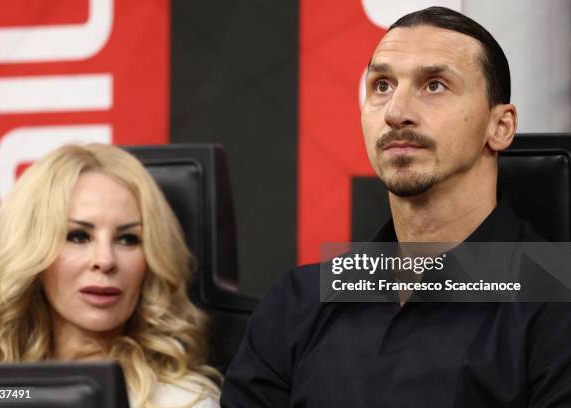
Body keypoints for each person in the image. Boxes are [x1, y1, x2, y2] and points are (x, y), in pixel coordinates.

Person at [221, 6, 571, 407]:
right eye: (382, 85)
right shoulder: (297, 301)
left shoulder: (557, 300)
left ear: (500, 126)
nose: (396, 112)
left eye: (435, 85)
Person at [0, 143, 220, 408]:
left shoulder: (185, 402)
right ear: (31, 253)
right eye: (78, 236)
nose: (105, 260)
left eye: (129, 239)